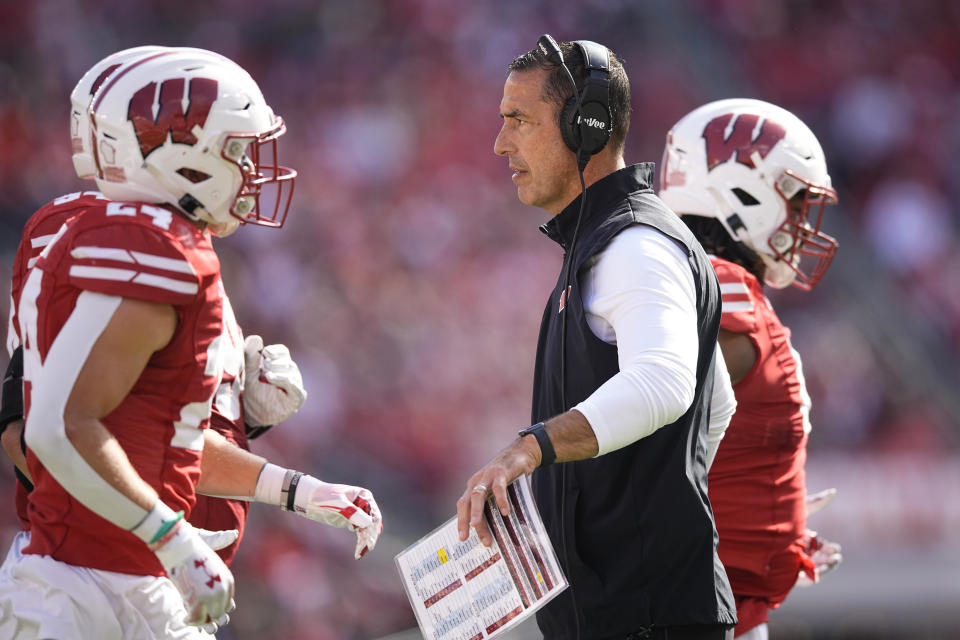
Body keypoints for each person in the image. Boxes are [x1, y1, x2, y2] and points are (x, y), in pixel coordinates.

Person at [0, 49, 381, 640]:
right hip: (84, 581)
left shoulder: (169, 247)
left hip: (129, 584)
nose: (253, 170)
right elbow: (45, 429)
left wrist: (249, 433)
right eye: (237, 149)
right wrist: (167, 534)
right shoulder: (144, 249)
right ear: (176, 151)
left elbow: (152, 433)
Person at [456, 36, 737, 640]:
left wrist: (529, 449)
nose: (500, 143)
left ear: (587, 126)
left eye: (519, 121)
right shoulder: (609, 240)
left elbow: (665, 382)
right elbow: (718, 403)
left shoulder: (635, 245)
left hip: (646, 621)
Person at [659, 98, 843, 639]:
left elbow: (698, 438)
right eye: (794, 199)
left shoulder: (706, 282)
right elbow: (652, 416)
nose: (800, 220)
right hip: (699, 611)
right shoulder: (720, 287)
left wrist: (762, 521)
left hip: (718, 601)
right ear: (744, 192)